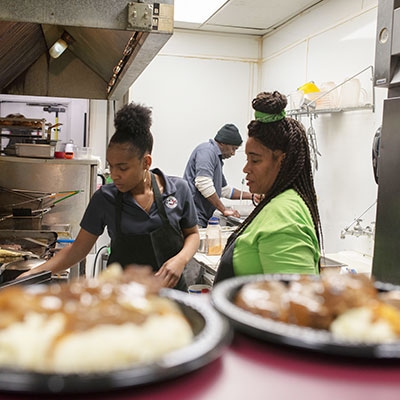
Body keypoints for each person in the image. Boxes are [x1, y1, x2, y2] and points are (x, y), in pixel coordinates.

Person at [21, 102, 200, 291]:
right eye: (111, 166)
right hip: (122, 299)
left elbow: (193, 235)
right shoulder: (105, 198)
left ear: (146, 162)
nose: (114, 174)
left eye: (122, 168)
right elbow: (78, 249)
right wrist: (34, 273)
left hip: (172, 296)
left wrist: (181, 260)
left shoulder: (178, 189)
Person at [214, 91, 322, 283]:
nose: (246, 169)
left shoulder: (285, 214)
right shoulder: (276, 204)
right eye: (247, 159)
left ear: (282, 160)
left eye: (255, 160)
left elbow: (296, 306)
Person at [183, 123, 253, 228]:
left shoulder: (217, 159)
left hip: (200, 216)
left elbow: (224, 190)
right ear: (223, 143)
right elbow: (203, 184)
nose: (233, 153)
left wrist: (251, 196)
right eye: (233, 148)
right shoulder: (207, 151)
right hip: (193, 215)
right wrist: (224, 209)